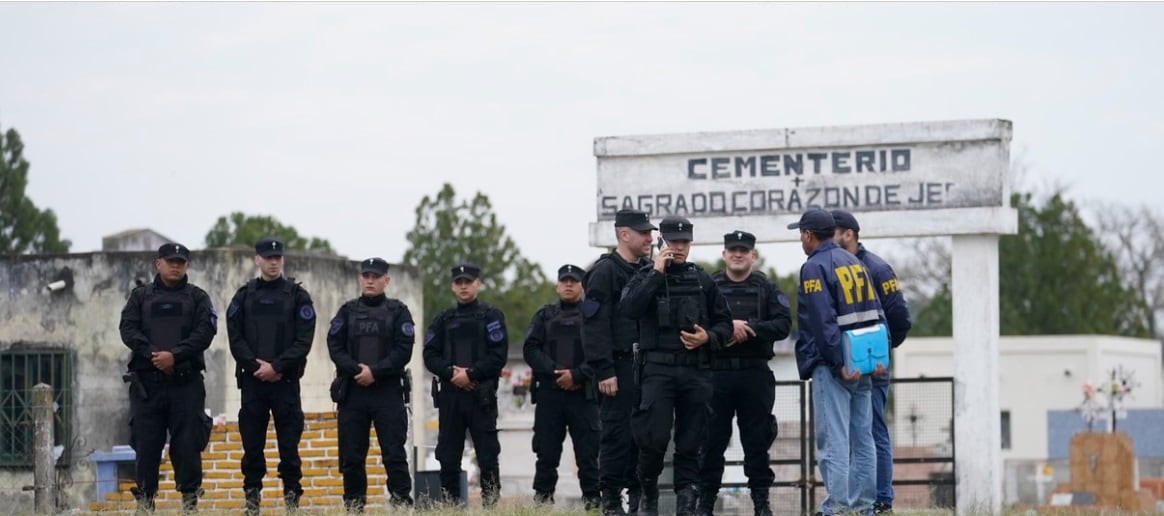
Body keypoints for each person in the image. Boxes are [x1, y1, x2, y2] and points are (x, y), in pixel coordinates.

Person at [620, 215, 733, 516]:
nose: (679, 247)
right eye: (674, 242)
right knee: (653, 439)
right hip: (657, 370)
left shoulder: (702, 280)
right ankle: (648, 495)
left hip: (695, 371)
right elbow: (629, 308)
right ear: (662, 242)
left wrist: (707, 336)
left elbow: (725, 325)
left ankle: (686, 505)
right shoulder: (646, 274)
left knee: (691, 442)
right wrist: (657, 271)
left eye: (684, 242)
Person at [788, 209, 884, 516]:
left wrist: (836, 362)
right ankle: (865, 506)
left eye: (800, 234)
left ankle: (838, 508)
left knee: (834, 441)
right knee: (863, 438)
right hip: (866, 361)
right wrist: (878, 359)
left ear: (808, 235)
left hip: (836, 365)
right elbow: (875, 313)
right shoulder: (855, 261)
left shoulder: (814, 266)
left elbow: (822, 320)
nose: (800, 239)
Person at [696, 230, 792, 516]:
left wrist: (748, 328)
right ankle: (705, 505)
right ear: (724, 254)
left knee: (757, 442)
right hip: (716, 375)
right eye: (732, 250)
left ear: (754, 255)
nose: (738, 254)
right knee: (711, 443)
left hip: (754, 374)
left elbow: (783, 324)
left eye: (744, 250)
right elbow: (694, 324)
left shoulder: (766, 288)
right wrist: (727, 329)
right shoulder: (709, 287)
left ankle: (761, 505)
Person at [118, 243, 216, 515]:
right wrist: (153, 355)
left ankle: (189, 503)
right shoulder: (140, 297)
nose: (176, 265)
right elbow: (128, 329)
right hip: (147, 385)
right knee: (146, 445)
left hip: (185, 384)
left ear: (187, 265)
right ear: (157, 263)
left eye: (181, 262)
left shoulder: (198, 298)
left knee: (187, 445)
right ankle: (145, 503)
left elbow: (204, 333)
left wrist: (174, 355)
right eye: (170, 261)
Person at [225, 238, 315, 514]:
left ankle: (292, 502)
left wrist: (276, 367)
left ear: (283, 260)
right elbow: (235, 337)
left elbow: (304, 341)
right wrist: (255, 367)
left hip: (285, 384)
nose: (273, 261)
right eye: (268, 257)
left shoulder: (298, 296)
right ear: (257, 260)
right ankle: (252, 503)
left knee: (289, 448)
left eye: (277, 257)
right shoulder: (244, 296)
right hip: (253, 385)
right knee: (252, 448)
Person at [831, 210, 912, 514]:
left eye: (833, 232)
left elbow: (901, 318)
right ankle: (858, 499)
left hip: (872, 367)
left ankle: (881, 500)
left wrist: (881, 352)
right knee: (851, 435)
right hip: (844, 367)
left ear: (848, 234)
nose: (828, 237)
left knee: (873, 430)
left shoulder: (876, 267)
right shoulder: (835, 265)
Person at [326, 257, 417, 512]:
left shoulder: (398, 312)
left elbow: (403, 351)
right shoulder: (347, 311)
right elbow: (334, 346)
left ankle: (400, 504)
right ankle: (354, 506)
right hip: (353, 392)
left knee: (394, 454)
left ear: (386, 280)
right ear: (360, 278)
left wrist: (375, 372)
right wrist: (357, 371)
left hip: (387, 392)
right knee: (352, 457)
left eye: (375, 276)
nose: (370, 280)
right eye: (365, 275)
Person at [582, 208, 655, 516]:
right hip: (619, 367)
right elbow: (594, 324)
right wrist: (604, 369)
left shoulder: (651, 269)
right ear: (624, 235)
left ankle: (637, 497)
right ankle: (612, 501)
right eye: (644, 233)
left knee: (644, 436)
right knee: (616, 436)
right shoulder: (605, 272)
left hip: (648, 367)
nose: (650, 238)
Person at [422, 263, 507, 507]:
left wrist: (470, 374)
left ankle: (490, 506)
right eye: (458, 282)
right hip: (451, 398)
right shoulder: (443, 320)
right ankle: (451, 506)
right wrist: (451, 373)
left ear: (478, 284)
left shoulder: (491, 316)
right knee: (448, 457)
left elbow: (498, 355)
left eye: (468, 282)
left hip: (481, 397)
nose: (463, 286)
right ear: (452, 286)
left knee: (487, 456)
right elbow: (429, 354)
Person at [523, 264, 601, 510]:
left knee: (588, 458)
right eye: (564, 281)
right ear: (557, 286)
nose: (569, 285)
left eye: (574, 281)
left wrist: (577, 375)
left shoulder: (594, 316)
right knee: (546, 456)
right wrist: (554, 371)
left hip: (584, 395)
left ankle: (594, 506)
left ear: (582, 286)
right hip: (550, 395)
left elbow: (602, 352)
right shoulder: (544, 316)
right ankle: (542, 507)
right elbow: (530, 349)